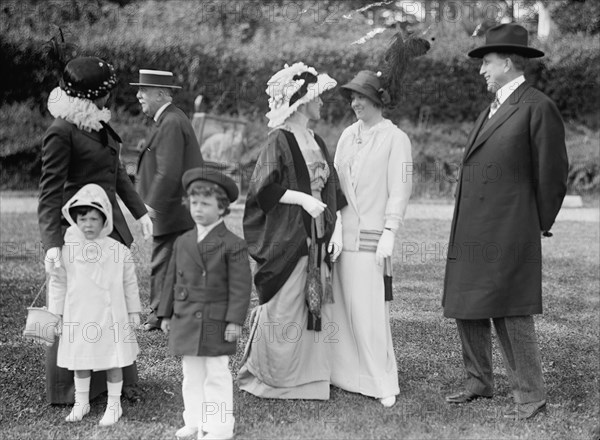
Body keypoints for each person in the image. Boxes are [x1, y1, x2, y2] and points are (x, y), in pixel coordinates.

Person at [442, 23, 569, 420]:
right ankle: (479, 382)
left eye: (487, 63)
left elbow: (553, 173)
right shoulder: (491, 108)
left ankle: (531, 396)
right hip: (473, 226)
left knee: (512, 309)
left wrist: (537, 222)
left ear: (509, 63)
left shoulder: (537, 107)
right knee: (467, 303)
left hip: (511, 226)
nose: (481, 70)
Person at [38, 56, 152, 404]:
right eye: (104, 93)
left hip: (109, 225)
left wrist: (140, 211)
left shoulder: (97, 124)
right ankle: (70, 388)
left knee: (111, 302)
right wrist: (52, 243)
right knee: (78, 307)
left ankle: (112, 381)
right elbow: (50, 191)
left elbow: (115, 172)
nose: (109, 100)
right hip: (79, 230)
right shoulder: (62, 130)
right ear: (90, 97)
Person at [237, 62, 345, 400]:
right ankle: (273, 377)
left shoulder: (317, 140)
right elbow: (262, 189)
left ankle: (309, 378)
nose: (322, 103)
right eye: (317, 97)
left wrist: (336, 228)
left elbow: (332, 189)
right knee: (284, 304)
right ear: (301, 101)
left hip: (317, 233)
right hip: (289, 235)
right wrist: (302, 200)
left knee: (313, 303)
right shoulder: (279, 140)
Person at [327, 70, 413, 407]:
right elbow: (334, 183)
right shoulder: (347, 135)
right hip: (342, 235)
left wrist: (391, 230)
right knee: (341, 307)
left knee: (369, 311)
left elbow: (400, 189)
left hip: (373, 236)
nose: (355, 102)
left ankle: (381, 379)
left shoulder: (396, 138)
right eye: (352, 97)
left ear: (378, 100)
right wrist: (333, 223)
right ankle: (345, 374)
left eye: (361, 96)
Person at [158, 166, 251, 440]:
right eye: (194, 202)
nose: (198, 209)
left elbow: (240, 287)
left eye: (206, 204)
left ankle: (220, 426)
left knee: (216, 373)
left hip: (217, 320)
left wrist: (234, 321)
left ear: (222, 208)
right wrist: (165, 313)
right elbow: (170, 279)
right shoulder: (183, 241)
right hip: (186, 318)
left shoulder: (233, 244)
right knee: (191, 373)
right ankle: (195, 420)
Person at [47, 184, 141, 426]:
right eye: (83, 218)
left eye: (94, 218)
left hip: (110, 317)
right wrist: (55, 314)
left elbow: (130, 283)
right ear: (75, 219)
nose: (88, 224)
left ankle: (113, 404)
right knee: (80, 359)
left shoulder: (118, 251)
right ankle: (82, 402)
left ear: (105, 219)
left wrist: (133, 311)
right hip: (79, 314)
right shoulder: (67, 251)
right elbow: (58, 283)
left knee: (113, 359)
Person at [132, 69, 204, 331]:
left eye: (144, 90)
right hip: (175, 207)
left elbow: (169, 170)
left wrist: (150, 206)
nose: (138, 95)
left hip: (172, 209)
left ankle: (159, 316)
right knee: (170, 262)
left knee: (163, 263)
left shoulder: (171, 121)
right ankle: (166, 314)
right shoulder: (169, 119)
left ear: (161, 94)